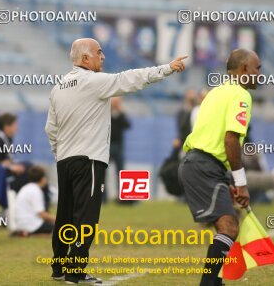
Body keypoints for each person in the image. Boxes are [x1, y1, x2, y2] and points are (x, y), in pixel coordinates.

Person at [45, 38, 186, 284]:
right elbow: (130, 79)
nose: (103, 57)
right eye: (99, 52)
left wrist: (59, 153)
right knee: (85, 218)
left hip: (65, 160)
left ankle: (58, 268)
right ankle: (75, 273)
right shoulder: (94, 81)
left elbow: (51, 129)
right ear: (85, 58)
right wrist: (167, 69)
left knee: (65, 215)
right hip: (88, 159)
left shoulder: (58, 87)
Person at [179, 49, 261, 286]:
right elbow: (230, 140)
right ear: (244, 69)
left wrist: (228, 179)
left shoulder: (215, 93)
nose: (259, 74)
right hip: (205, 166)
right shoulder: (241, 95)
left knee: (227, 226)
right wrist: (241, 183)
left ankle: (215, 283)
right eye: (257, 68)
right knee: (229, 228)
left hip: (199, 163)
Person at [0, 113, 28, 192]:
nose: (17, 128)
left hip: (8, 172)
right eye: (15, 125)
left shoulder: (7, 139)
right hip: (4, 176)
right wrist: (11, 168)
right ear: (7, 127)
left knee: (29, 167)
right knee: (30, 174)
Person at [14, 166, 55, 235]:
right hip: (32, 225)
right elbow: (41, 214)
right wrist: (57, 219)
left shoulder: (27, 187)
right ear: (42, 179)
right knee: (62, 227)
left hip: (21, 224)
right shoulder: (36, 190)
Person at [109, 97, 131, 204]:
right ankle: (103, 197)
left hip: (118, 147)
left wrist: (121, 112)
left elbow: (128, 125)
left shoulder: (121, 115)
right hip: (107, 147)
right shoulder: (106, 114)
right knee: (102, 174)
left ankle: (122, 198)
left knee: (121, 173)